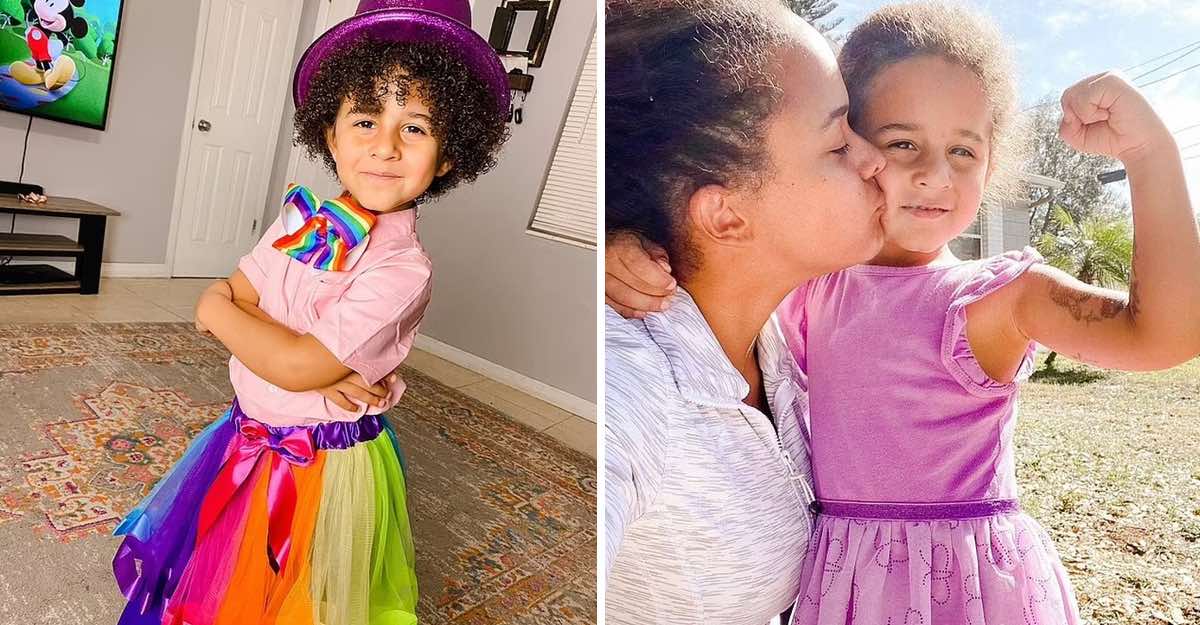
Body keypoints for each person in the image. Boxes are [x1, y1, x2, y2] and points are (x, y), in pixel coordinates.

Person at [604, 3, 1200, 623]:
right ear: (856, 145)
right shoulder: (813, 284)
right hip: (846, 586)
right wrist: (618, 242)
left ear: (992, 164)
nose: (934, 175)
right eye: (902, 143)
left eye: (963, 151)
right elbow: (706, 244)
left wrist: (1149, 152)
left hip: (966, 591)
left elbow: (1166, 333)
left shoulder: (1002, 298)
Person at [111, 1, 510, 623]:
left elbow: (276, 348)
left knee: (310, 592)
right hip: (245, 431)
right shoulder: (299, 222)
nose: (384, 146)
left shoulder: (403, 270)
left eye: (415, 128)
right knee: (223, 574)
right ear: (330, 133)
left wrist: (224, 313)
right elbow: (246, 308)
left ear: (448, 154)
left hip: (321, 462)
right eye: (365, 120)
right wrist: (295, 356)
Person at [604, 0, 887, 622]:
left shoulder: (778, 335)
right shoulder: (628, 381)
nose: (876, 159)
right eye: (839, 143)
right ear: (726, 214)